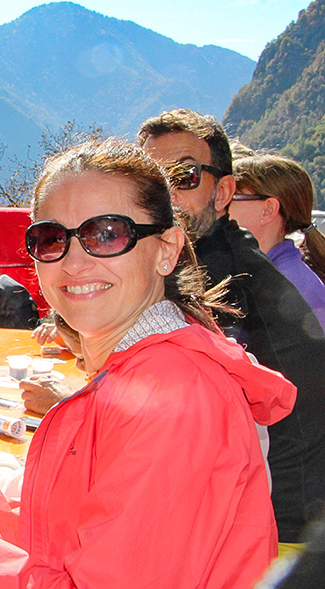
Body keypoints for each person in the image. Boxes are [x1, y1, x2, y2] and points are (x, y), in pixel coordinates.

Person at [0, 138, 296, 588]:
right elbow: (90, 537)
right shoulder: (138, 370)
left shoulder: (173, 397)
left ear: (167, 249)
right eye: (52, 239)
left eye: (108, 234)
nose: (74, 262)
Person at [139, 109, 325, 546]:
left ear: (223, 191)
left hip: (276, 528)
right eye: (150, 179)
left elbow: (184, 418)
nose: (165, 194)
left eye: (183, 176)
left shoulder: (224, 282)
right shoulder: (209, 256)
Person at [230, 153, 325, 330]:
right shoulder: (274, 275)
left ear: (268, 210)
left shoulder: (287, 287)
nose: (219, 205)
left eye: (231, 197)